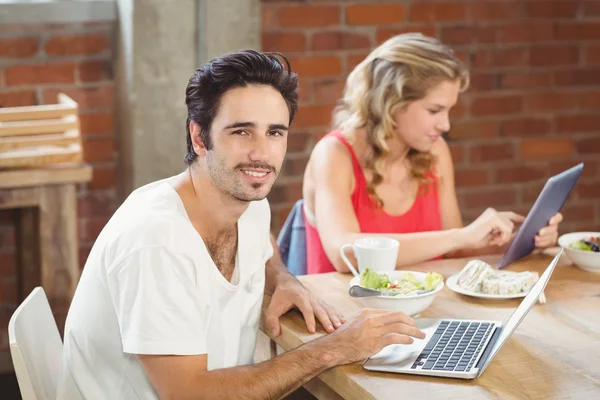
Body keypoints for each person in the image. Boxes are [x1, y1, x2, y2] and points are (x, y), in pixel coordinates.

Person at [56, 50, 426, 400]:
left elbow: (262, 243)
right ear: (200, 137)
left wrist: (282, 277)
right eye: (241, 132)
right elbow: (188, 393)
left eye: (275, 133)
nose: (261, 153)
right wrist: (333, 348)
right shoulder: (157, 239)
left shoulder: (247, 203)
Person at [302, 33, 563, 275]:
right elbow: (344, 253)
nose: (445, 125)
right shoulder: (334, 154)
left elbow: (454, 249)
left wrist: (521, 240)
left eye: (448, 111)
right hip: (345, 317)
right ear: (392, 102)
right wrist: (461, 235)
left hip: (423, 309)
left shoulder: (435, 152)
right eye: (434, 110)